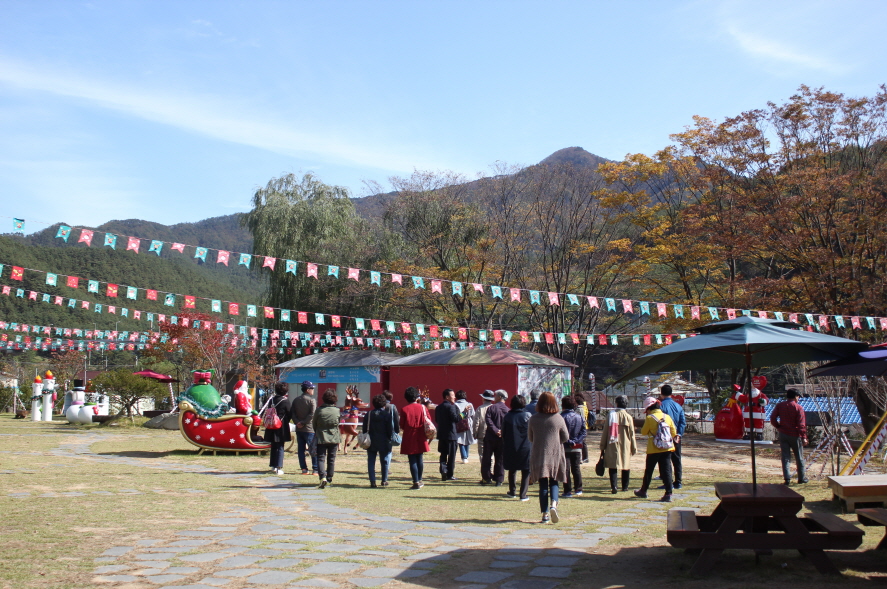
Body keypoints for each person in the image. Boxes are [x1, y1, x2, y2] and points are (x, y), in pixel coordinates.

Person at [528, 391, 569, 524]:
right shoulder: (558, 418)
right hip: (555, 454)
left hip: (539, 454)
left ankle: (545, 514)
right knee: (554, 480)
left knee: (543, 484)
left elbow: (530, 437)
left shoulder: (533, 419)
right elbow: (565, 437)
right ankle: (554, 505)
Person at [634, 396, 678, 502]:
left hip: (653, 448)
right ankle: (668, 493)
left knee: (649, 470)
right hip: (667, 448)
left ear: (649, 408)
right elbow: (673, 432)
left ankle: (643, 491)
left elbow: (643, 432)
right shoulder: (667, 417)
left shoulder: (650, 418)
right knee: (666, 470)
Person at [770, 388, 808, 485]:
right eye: (798, 396)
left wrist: (778, 426)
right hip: (795, 434)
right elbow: (801, 424)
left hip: (783, 433)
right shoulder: (798, 408)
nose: (798, 398)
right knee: (799, 457)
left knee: (785, 456)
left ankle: (787, 478)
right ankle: (801, 478)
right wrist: (803, 436)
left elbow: (773, 418)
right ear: (795, 397)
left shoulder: (780, 405)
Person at [600, 395, 637, 493]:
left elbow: (605, 432)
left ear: (616, 403)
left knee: (613, 465)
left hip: (612, 442)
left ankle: (614, 487)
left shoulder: (611, 415)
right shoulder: (628, 417)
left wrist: (602, 446)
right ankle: (625, 487)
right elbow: (632, 434)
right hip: (625, 443)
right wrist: (634, 447)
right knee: (626, 464)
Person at [400, 386, 431, 489]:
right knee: (419, 458)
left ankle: (416, 481)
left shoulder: (404, 409)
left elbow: (402, 425)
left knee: (412, 459)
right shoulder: (423, 408)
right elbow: (429, 420)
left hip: (409, 436)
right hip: (421, 435)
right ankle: (420, 479)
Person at [502, 394, 531, 501]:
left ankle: (512, 491)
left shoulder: (507, 416)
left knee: (512, 469)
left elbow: (503, 433)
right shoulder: (528, 416)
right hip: (526, 446)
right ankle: (523, 494)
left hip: (511, 446)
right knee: (526, 470)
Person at [362, 394, 394, 487]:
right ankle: (384, 480)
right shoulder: (387, 415)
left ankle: (372, 481)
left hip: (371, 440)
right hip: (384, 440)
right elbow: (390, 429)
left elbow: (364, 429)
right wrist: (390, 438)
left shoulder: (369, 414)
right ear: (384, 404)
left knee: (371, 461)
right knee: (384, 461)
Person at [312, 389, 342, 489]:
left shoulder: (319, 410)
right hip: (334, 437)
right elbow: (338, 423)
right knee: (331, 459)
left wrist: (318, 431)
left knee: (321, 458)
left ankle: (322, 477)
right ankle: (329, 478)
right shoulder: (337, 410)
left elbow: (314, 424)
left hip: (321, 437)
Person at [658, 384, 686, 489]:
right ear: (671, 393)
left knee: (665, 459)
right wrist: (679, 434)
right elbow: (683, 422)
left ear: (661, 393)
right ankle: (678, 482)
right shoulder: (678, 406)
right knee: (677, 459)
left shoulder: (661, 406)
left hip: (665, 436)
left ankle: (668, 482)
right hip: (676, 436)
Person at [481, 389, 509, 486]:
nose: (494, 397)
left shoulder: (491, 408)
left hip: (490, 437)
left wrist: (495, 430)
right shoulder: (508, 410)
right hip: (502, 438)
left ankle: (486, 477)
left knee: (487, 458)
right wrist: (501, 431)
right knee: (500, 459)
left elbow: (488, 420)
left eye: (495, 395)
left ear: (500, 397)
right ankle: (499, 479)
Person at [560, 396, 586, 498]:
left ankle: (567, 490)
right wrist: (576, 441)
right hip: (576, 446)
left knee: (566, 469)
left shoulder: (561, 417)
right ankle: (578, 488)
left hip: (565, 446)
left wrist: (569, 441)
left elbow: (560, 432)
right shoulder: (579, 417)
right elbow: (583, 432)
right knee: (576, 468)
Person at [265, 382, 292, 475]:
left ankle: (273, 466)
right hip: (281, 426)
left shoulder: (271, 400)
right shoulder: (285, 401)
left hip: (271, 424)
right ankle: (278, 467)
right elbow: (289, 414)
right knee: (280, 446)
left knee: (273, 446)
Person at [292, 380, 318, 475]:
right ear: (307, 390)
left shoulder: (296, 400)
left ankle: (304, 469)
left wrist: (297, 422)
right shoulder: (312, 400)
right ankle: (315, 469)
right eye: (312, 388)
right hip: (309, 428)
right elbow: (312, 414)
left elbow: (293, 413)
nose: (313, 390)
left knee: (301, 450)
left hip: (299, 429)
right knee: (313, 449)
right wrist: (303, 422)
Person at [435, 389, 461, 481]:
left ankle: (443, 470)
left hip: (442, 435)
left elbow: (437, 420)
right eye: (452, 395)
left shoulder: (438, 407)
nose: (454, 397)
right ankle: (450, 474)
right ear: (447, 397)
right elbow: (456, 419)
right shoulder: (451, 407)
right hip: (451, 435)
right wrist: (463, 413)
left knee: (443, 454)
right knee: (451, 456)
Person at [454, 390, 476, 463]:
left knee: (460, 440)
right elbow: (473, 415)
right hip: (468, 423)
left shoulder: (455, 405)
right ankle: (466, 455)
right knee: (467, 439)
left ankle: (464, 457)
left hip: (458, 423)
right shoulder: (469, 404)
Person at [474, 390, 495, 461]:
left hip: (482, 434)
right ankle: (491, 467)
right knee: (491, 454)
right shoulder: (494, 408)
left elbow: (476, 422)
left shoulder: (480, 408)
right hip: (493, 434)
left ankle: (484, 467)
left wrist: (475, 433)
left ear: (483, 398)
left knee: (482, 454)